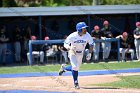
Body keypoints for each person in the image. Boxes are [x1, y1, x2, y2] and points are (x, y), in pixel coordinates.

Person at [58, 22, 94, 89]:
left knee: (76, 68)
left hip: (80, 53)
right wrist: (69, 48)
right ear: (79, 29)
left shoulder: (87, 35)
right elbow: (65, 44)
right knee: (74, 67)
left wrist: (90, 53)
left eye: (85, 28)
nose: (85, 29)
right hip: (72, 52)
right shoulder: (72, 35)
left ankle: (64, 68)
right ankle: (76, 83)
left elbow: (91, 44)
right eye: (84, 28)